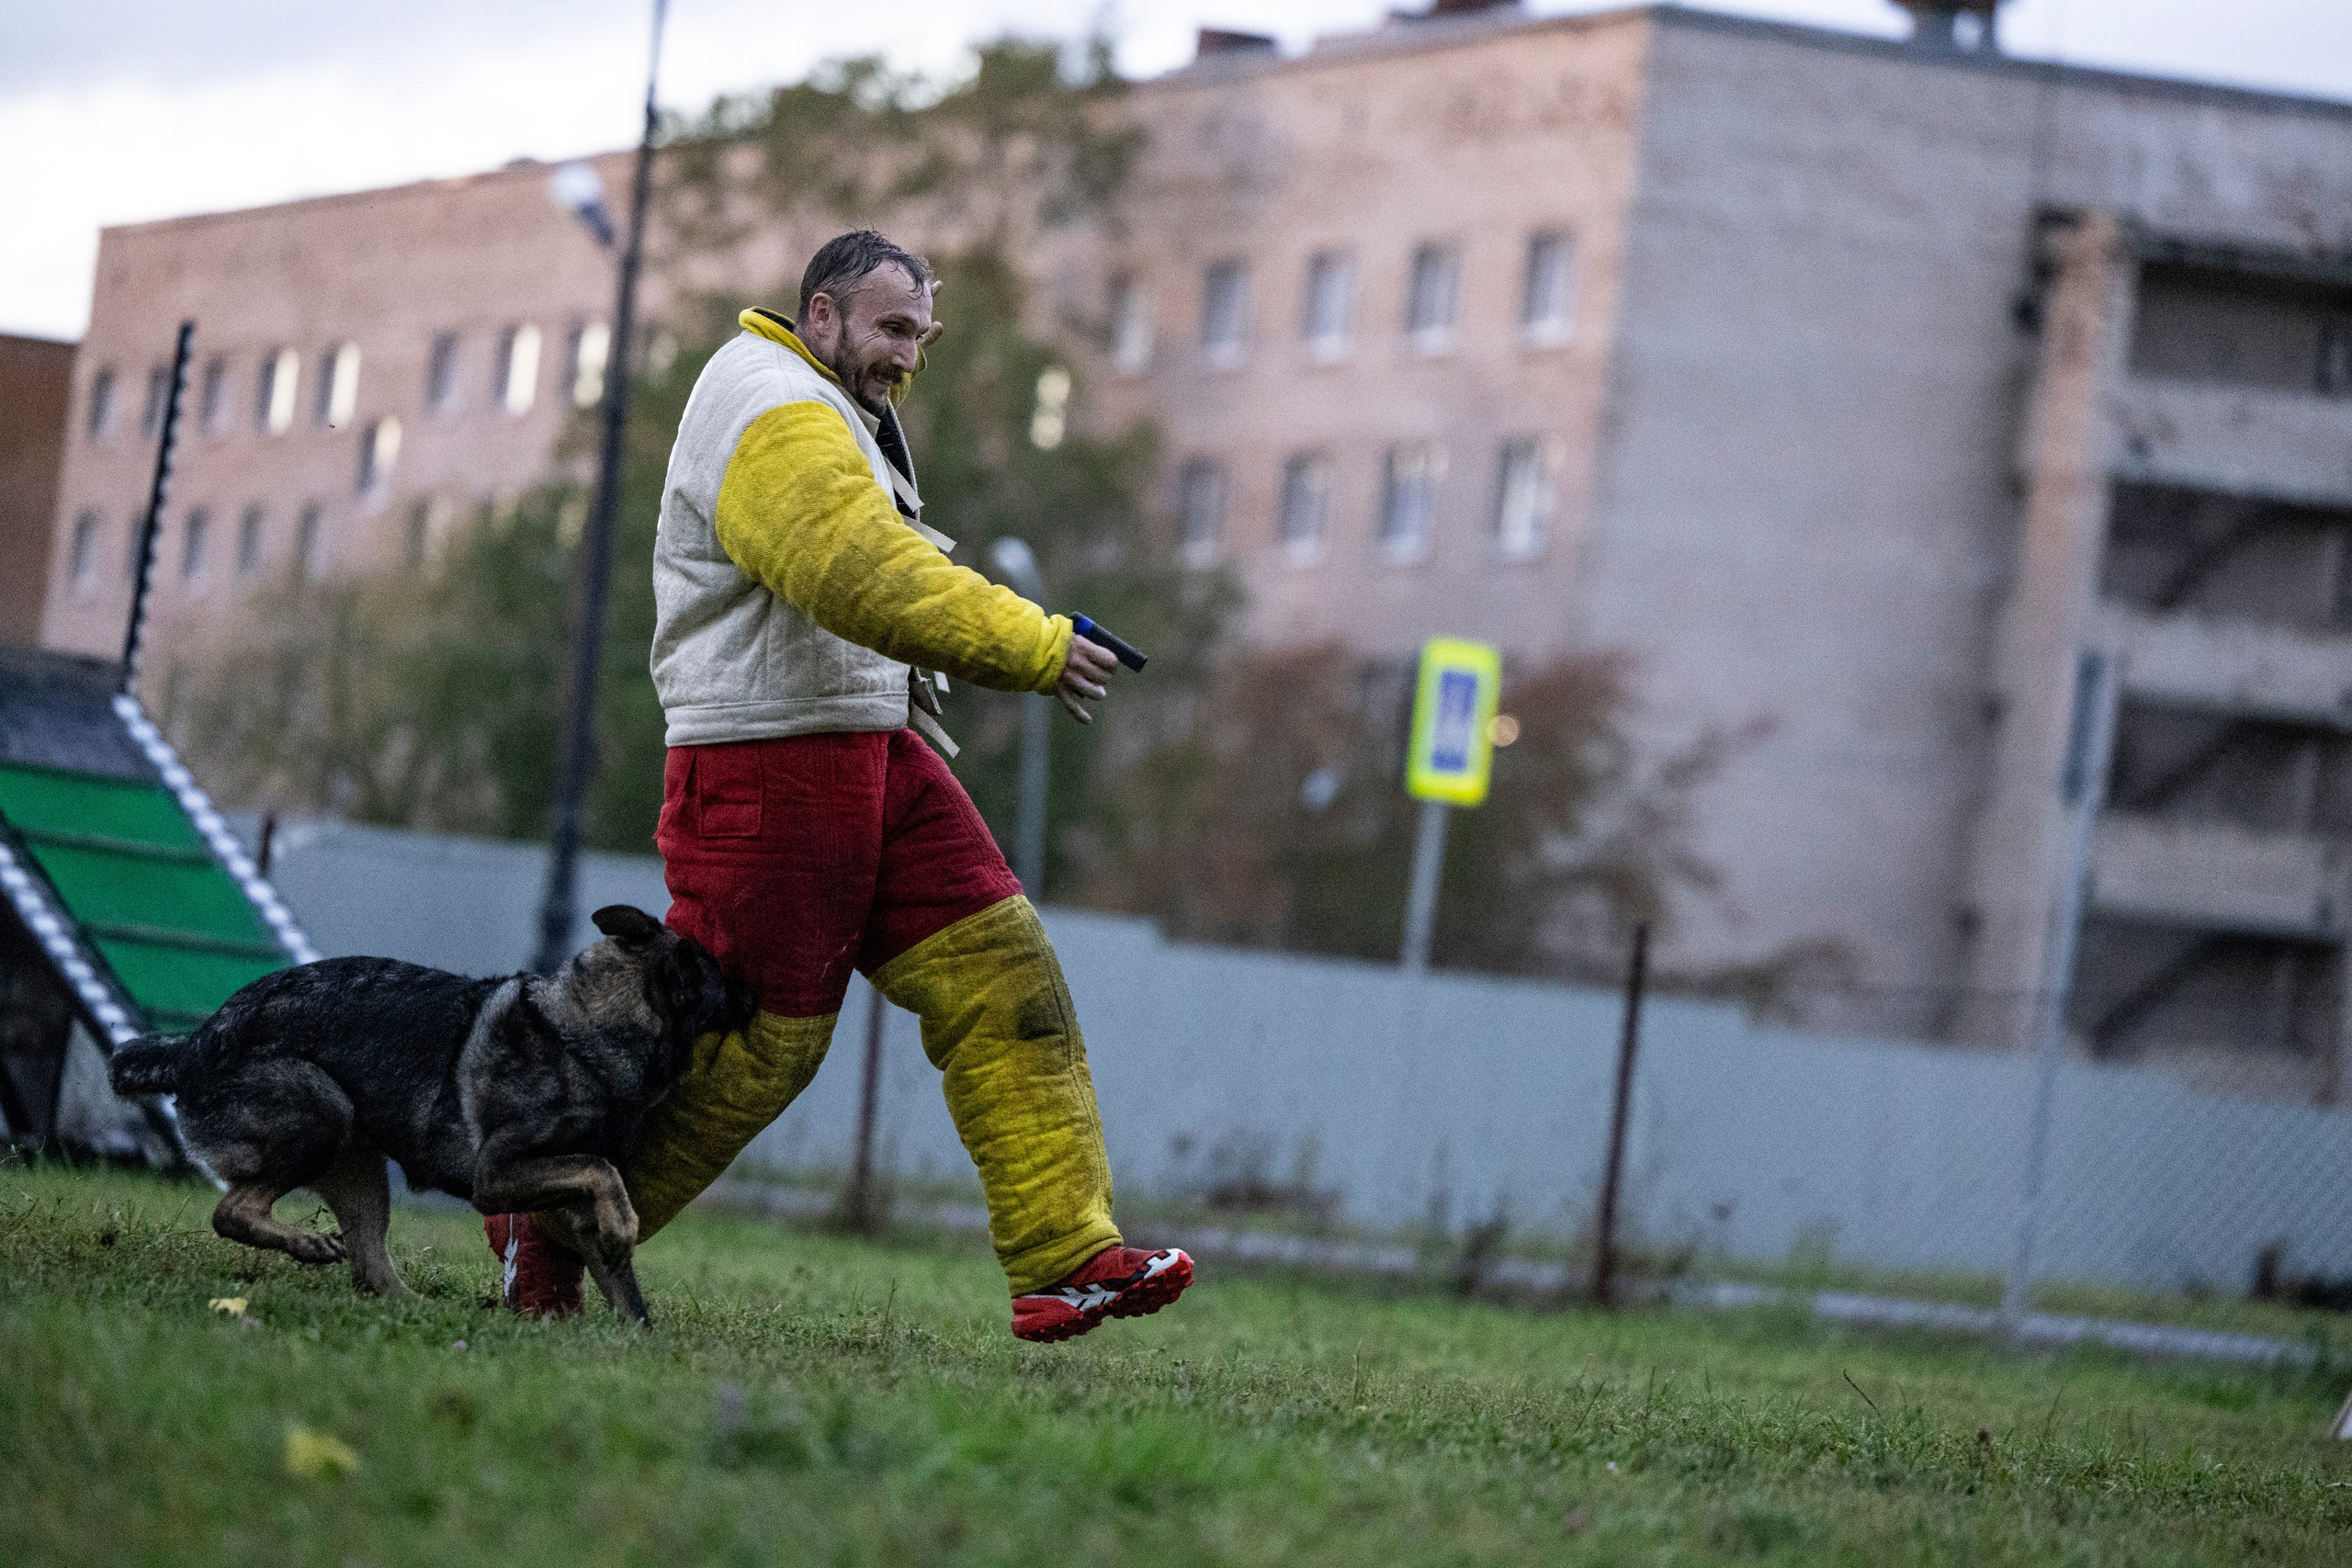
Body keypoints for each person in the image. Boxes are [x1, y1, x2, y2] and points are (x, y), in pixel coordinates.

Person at [483, 230, 1191, 1342]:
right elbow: (855, 572)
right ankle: (548, 1224)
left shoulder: (827, 403)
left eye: (922, 334)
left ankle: (1066, 1256)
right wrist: (1032, 643)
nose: (909, 354)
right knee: (756, 1047)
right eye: (891, 328)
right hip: (767, 762)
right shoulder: (767, 404)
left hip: (869, 747)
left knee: (1003, 970)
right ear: (820, 313)